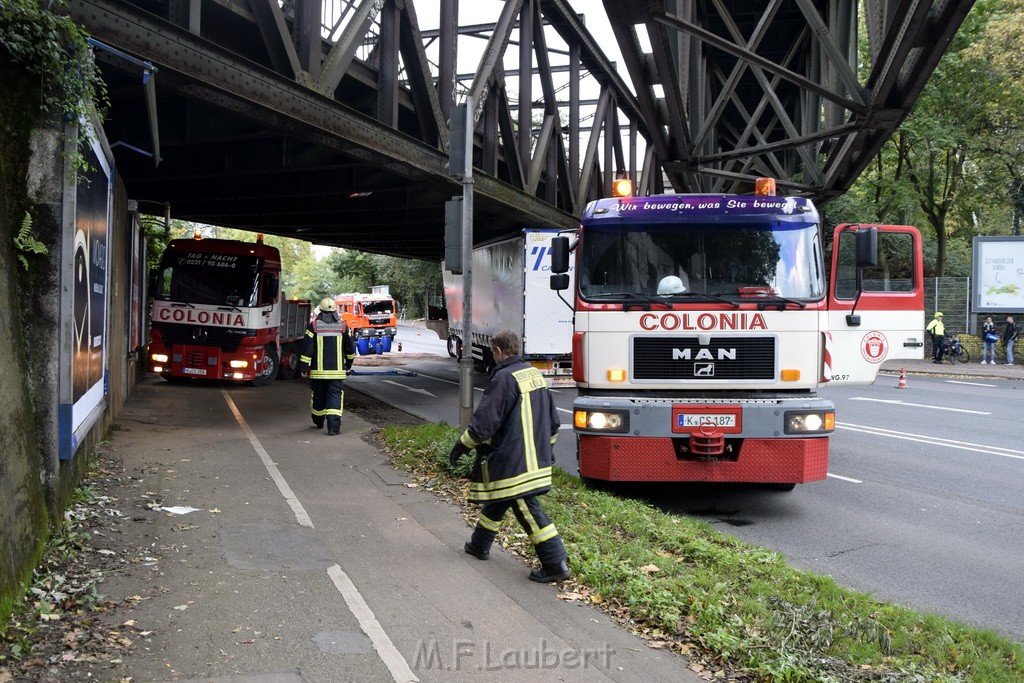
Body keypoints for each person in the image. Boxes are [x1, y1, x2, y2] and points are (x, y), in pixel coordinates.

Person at [448, 329, 570, 583]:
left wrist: (461, 446)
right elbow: (554, 423)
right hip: (535, 457)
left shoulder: (504, 378)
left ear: (499, 351)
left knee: (525, 505)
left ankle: (554, 561)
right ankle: (478, 544)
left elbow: (484, 423)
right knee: (500, 499)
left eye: (493, 352)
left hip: (514, 458)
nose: (493, 356)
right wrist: (548, 452)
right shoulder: (535, 375)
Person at [298, 298, 356, 436]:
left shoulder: (314, 327)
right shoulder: (343, 326)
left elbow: (307, 350)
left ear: (321, 311)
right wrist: (348, 364)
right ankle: (333, 428)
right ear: (335, 311)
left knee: (318, 396)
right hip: (337, 372)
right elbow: (350, 348)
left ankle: (318, 421)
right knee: (334, 396)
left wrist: (303, 368)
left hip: (318, 372)